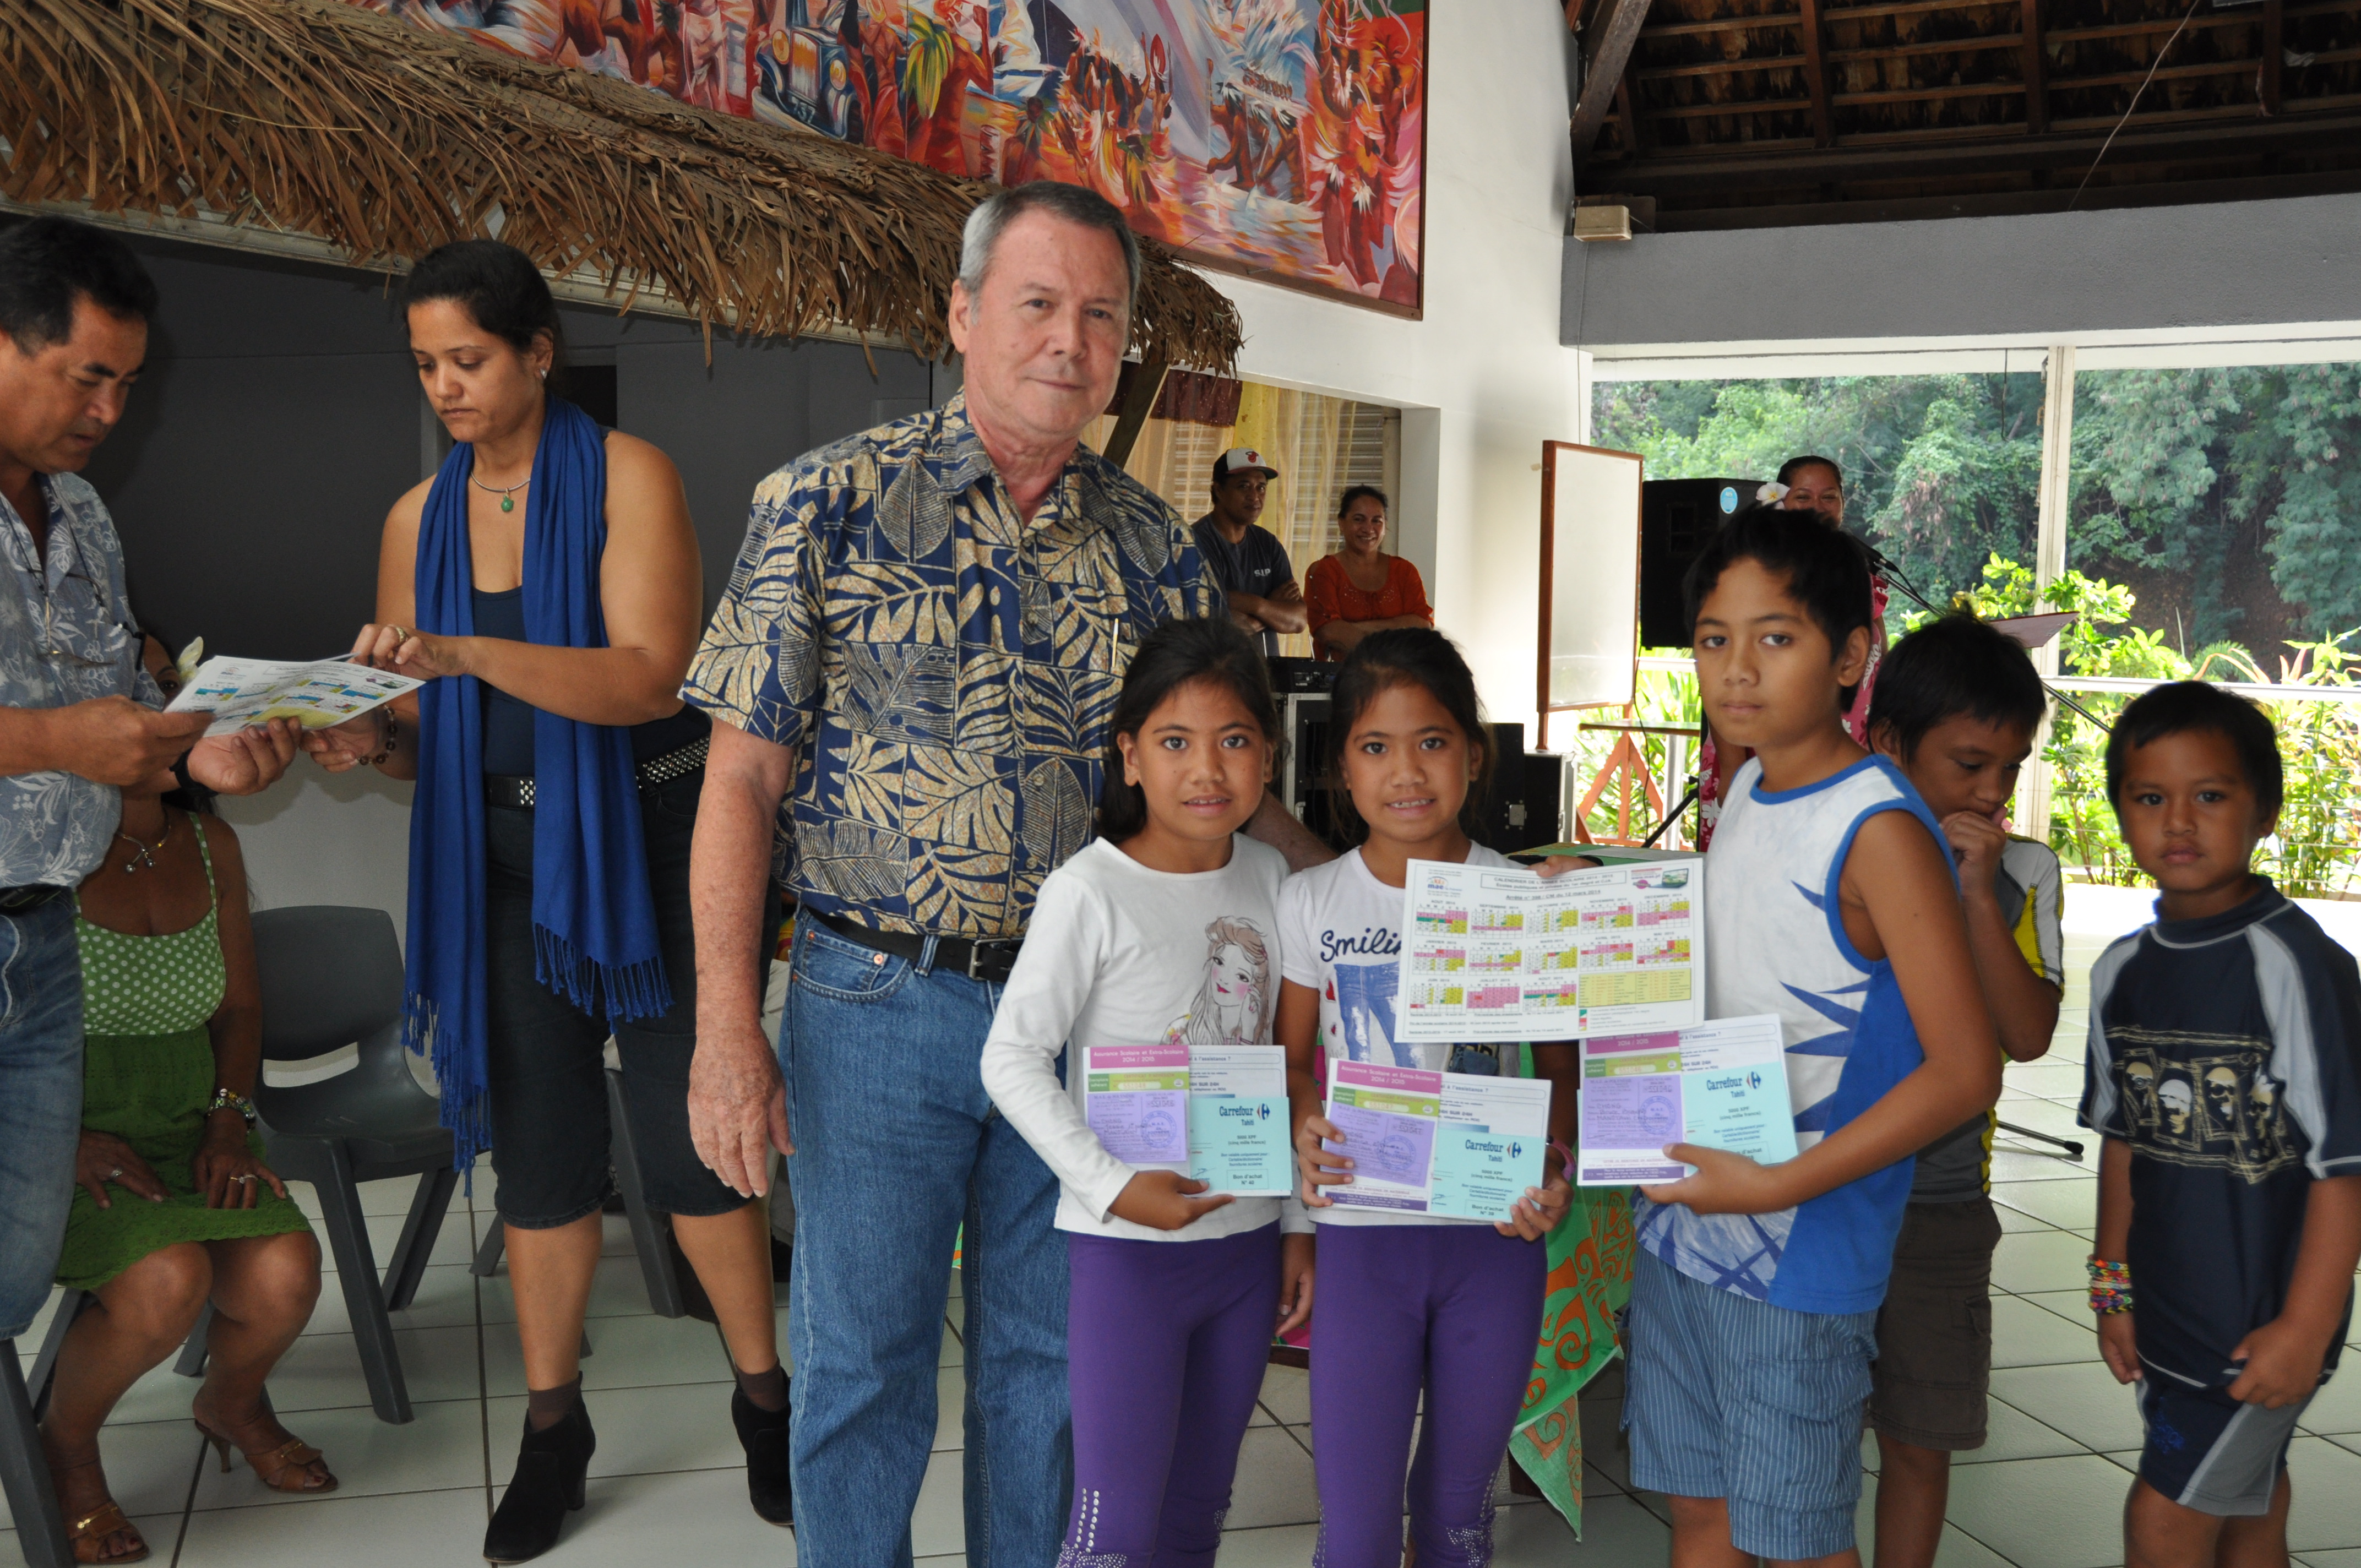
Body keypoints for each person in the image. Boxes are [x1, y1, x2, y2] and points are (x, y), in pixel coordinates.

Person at [678, 179, 1330, 1568]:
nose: (1068, 340)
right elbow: (739, 780)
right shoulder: (823, 503)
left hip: (1097, 1015)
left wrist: (1378, 891)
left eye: (1099, 314)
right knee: (862, 1360)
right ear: (962, 314)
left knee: (1050, 1362)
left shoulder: (1155, 548)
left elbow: (1215, 781)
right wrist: (725, 1027)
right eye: (1036, 303)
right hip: (874, 1003)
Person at [301, 238, 788, 1562]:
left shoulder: (631, 476)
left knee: (696, 1142)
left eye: (467, 359)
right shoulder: (414, 519)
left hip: (657, 842)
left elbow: (646, 676)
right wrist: (365, 735)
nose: (445, 387)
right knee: (541, 1154)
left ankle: (763, 1399)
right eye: (425, 365)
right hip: (503, 859)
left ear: (535, 352)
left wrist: (464, 652)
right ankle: (552, 1428)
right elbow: (418, 728)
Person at [1628, 505, 2000, 1568]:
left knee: (1794, 1540)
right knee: (1700, 1514)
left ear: (1848, 657)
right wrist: (1598, 902)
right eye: (1713, 638)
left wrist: (1777, 1182)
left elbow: (1966, 1068)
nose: (1736, 669)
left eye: (1774, 637)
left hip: (1794, 1252)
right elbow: (1745, 938)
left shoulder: (1877, 827)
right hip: (1684, 1220)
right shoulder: (1748, 781)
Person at [0, 216, 298, 1365]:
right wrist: (50, 739)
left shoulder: (81, 511)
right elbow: (71, 726)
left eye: (127, 384)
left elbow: (124, 685)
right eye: (88, 377)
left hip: (41, 937)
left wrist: (200, 752)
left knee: (14, 1268)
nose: (110, 411)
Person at [977, 616, 1315, 1566]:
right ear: (1129, 757)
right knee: (1113, 1524)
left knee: (1199, 1509)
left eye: (1234, 740)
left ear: (1268, 755)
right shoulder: (1089, 890)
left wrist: (1296, 1223)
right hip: (1129, 1256)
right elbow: (1010, 1058)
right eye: (1174, 742)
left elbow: (1284, 1067)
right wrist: (1114, 1187)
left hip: (1245, 1246)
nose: (1206, 769)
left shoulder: (1273, 879)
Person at [1277, 628, 1577, 1567]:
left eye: (1432, 741)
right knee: (1356, 1528)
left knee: (1457, 1517)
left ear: (1474, 755)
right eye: (1375, 746)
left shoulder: (1520, 896)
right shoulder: (1311, 900)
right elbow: (1291, 1062)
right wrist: (1302, 1119)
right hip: (1362, 1244)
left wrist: (1555, 1164)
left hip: (1494, 1243)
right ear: (1342, 768)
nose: (1406, 772)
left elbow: (1559, 1070)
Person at [2081, 682, 2361, 1566]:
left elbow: (2344, 1167)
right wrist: (2113, 1288)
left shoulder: (2296, 965)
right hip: (2169, 1312)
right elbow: (2123, 1140)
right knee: (2249, 1512)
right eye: (2149, 798)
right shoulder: (2122, 970)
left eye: (2209, 795)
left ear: (2265, 811)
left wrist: (2304, 1330)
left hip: (2258, 1331)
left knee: (2163, 1524)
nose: (2178, 822)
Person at [40, 769, 325, 1563]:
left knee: (286, 1275)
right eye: (148, 706)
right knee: (168, 1281)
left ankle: (232, 1405)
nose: (173, 719)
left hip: (193, 1126)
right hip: (58, 1139)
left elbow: (240, 1007)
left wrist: (228, 1121)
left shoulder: (210, 842)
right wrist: (63, 1139)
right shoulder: (36, 844)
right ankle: (65, 1449)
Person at [1862, 614, 2064, 1568]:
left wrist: (1977, 894)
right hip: (1823, 1193)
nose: (1991, 792)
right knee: (1808, 1427)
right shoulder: (1840, 848)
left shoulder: (2023, 870)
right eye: (1970, 764)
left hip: (1940, 1207)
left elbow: (2028, 1034)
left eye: (2010, 770)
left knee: (1919, 1435)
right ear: (1889, 743)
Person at [1696, 455, 1885, 851]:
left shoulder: (1860, 578)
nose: (1817, 507)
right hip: (1764, 764)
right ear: (1779, 500)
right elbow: (1727, 672)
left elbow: (1876, 664)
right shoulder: (1758, 576)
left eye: (1829, 497)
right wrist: (1733, 772)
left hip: (1846, 757)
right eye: (1803, 497)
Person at [1192, 447, 1304, 656]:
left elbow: (1299, 620)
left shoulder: (1267, 543)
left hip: (1266, 672)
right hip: (1216, 669)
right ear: (1219, 490)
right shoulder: (1196, 542)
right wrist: (1272, 605)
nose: (1255, 496)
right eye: (1244, 486)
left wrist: (1257, 605)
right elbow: (1219, 627)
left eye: (1261, 487)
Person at [1303, 485, 1432, 661]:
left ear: (1385, 525)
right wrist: (1395, 632)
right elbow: (1329, 632)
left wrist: (1353, 627)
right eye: (1359, 519)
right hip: (1341, 674)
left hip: (1401, 674)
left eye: (1377, 521)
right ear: (1341, 523)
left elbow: (1422, 626)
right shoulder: (1324, 571)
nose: (1368, 528)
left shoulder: (1405, 571)